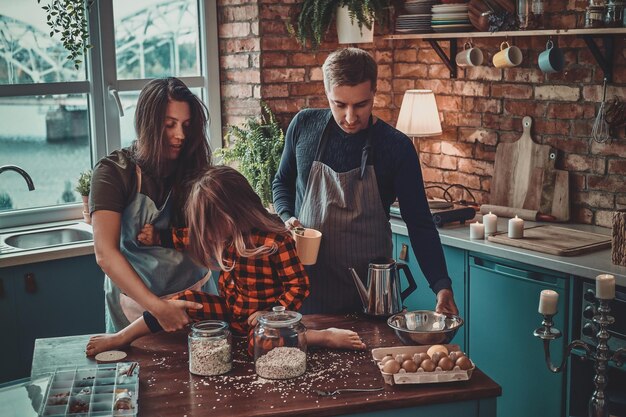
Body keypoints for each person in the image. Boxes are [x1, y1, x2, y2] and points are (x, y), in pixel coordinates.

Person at [86, 166, 365, 357]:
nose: (207, 235)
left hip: (265, 321)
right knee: (178, 301)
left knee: (261, 342)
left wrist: (273, 313)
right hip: (230, 311)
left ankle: (323, 336)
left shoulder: (276, 242)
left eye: (210, 226)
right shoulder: (223, 236)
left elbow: (299, 285)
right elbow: (191, 237)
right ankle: (122, 336)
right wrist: (160, 236)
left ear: (232, 214)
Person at [272, 47, 459, 316]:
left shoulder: (396, 147)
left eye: (360, 104)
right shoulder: (304, 125)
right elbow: (281, 183)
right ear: (326, 93)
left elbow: (419, 223)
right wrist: (287, 216)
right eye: (340, 104)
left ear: (374, 93)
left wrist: (441, 286)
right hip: (306, 291)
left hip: (373, 298)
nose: (350, 117)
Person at [90, 77, 215, 334]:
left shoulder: (194, 166)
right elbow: (105, 254)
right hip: (138, 305)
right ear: (147, 124)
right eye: (169, 125)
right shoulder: (113, 172)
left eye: (186, 126)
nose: (180, 135)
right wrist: (157, 307)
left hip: (197, 295)